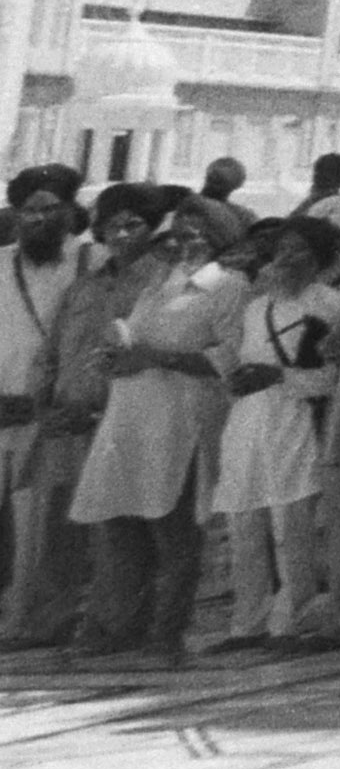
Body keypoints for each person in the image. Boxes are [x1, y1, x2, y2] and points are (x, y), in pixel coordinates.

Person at [67, 186, 251, 666]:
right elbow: (137, 340)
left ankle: (167, 634)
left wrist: (159, 357)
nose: (182, 246)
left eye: (194, 237)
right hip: (130, 420)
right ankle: (118, 625)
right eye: (177, 237)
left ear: (216, 241)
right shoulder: (159, 285)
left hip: (180, 425)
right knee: (122, 526)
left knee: (174, 533)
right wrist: (116, 354)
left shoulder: (228, 287)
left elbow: (229, 357)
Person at [215, 217, 340, 650]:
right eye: (282, 249)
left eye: (299, 250)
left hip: (296, 420)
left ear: (320, 259)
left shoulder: (328, 305)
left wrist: (277, 376)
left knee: (291, 526)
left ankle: (293, 619)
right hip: (249, 422)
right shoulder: (257, 308)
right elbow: (241, 358)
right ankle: (248, 621)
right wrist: (235, 377)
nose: (287, 259)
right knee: (244, 523)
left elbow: (325, 378)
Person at [0, 163, 95, 647]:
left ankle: (37, 622)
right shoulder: (0, 263)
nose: (38, 219)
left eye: (49, 209)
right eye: (30, 210)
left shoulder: (91, 262)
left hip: (61, 416)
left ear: (69, 212)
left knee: (46, 526)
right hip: (4, 410)